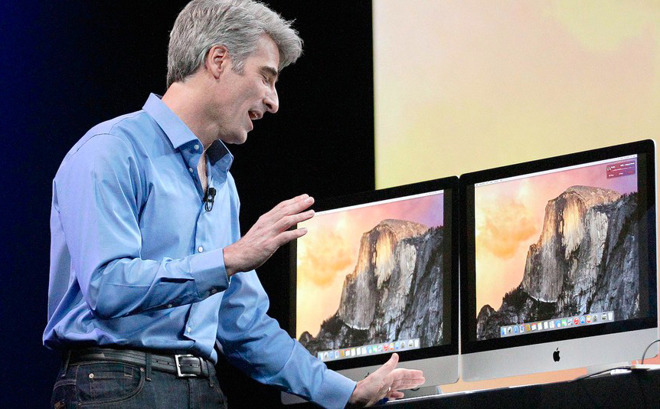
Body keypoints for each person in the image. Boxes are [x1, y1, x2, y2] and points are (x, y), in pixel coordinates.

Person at [43, 0, 425, 408]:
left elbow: (244, 326)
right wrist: (228, 259)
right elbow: (108, 286)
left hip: (203, 388)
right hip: (115, 385)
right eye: (267, 77)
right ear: (219, 60)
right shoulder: (113, 150)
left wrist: (346, 392)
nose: (274, 101)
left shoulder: (223, 185)